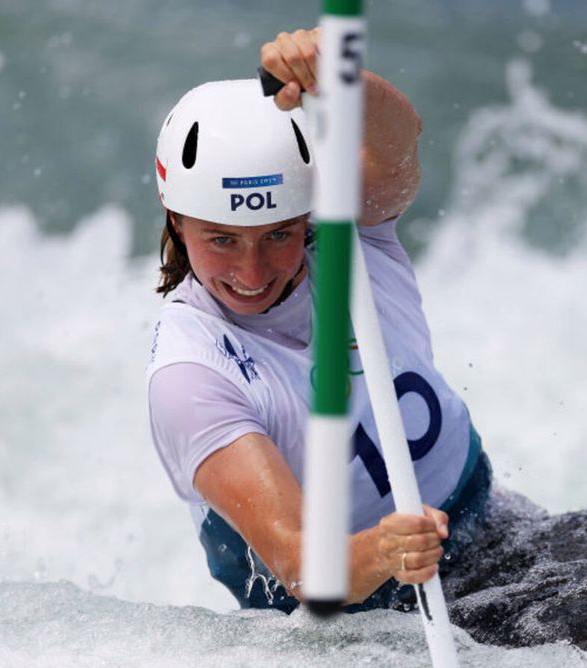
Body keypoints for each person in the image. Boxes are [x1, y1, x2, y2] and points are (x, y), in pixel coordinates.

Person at [147, 27, 491, 612]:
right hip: (347, 616)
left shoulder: (352, 234)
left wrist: (342, 80)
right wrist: (384, 552)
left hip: (478, 515)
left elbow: (399, 139)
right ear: (178, 220)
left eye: (278, 234)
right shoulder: (189, 376)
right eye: (222, 240)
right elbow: (301, 564)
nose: (252, 273)